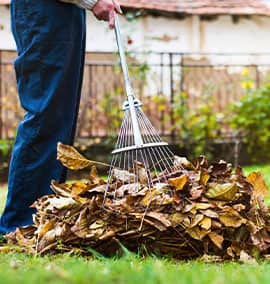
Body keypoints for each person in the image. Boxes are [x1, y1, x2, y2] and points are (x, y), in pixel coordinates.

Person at [0, 0, 121, 235]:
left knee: (60, 120)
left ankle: (44, 215)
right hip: (44, 10)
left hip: (63, 11)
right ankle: (20, 222)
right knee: (46, 116)